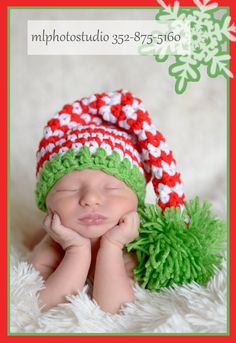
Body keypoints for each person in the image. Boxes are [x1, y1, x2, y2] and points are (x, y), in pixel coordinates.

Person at [30, 89, 225, 313]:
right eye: (69, 189)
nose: (91, 199)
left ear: (137, 202)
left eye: (112, 188)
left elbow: (115, 308)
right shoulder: (52, 245)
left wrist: (112, 247)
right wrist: (76, 250)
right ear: (47, 203)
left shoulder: (132, 245)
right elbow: (44, 303)